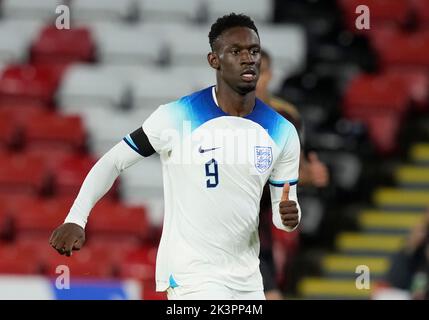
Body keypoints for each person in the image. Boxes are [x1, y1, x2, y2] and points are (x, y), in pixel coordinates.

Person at [49, 13, 302, 300]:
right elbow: (113, 161)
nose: (248, 59)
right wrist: (76, 218)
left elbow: (285, 215)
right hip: (191, 276)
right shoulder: (177, 116)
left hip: (248, 280)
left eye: (253, 51)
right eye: (236, 51)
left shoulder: (282, 132)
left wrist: (290, 218)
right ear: (214, 60)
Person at [256, 49, 329, 299]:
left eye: (259, 72)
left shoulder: (285, 117)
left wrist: (312, 175)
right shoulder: (220, 116)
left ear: (270, 75)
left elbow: (297, 170)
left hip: (258, 222)